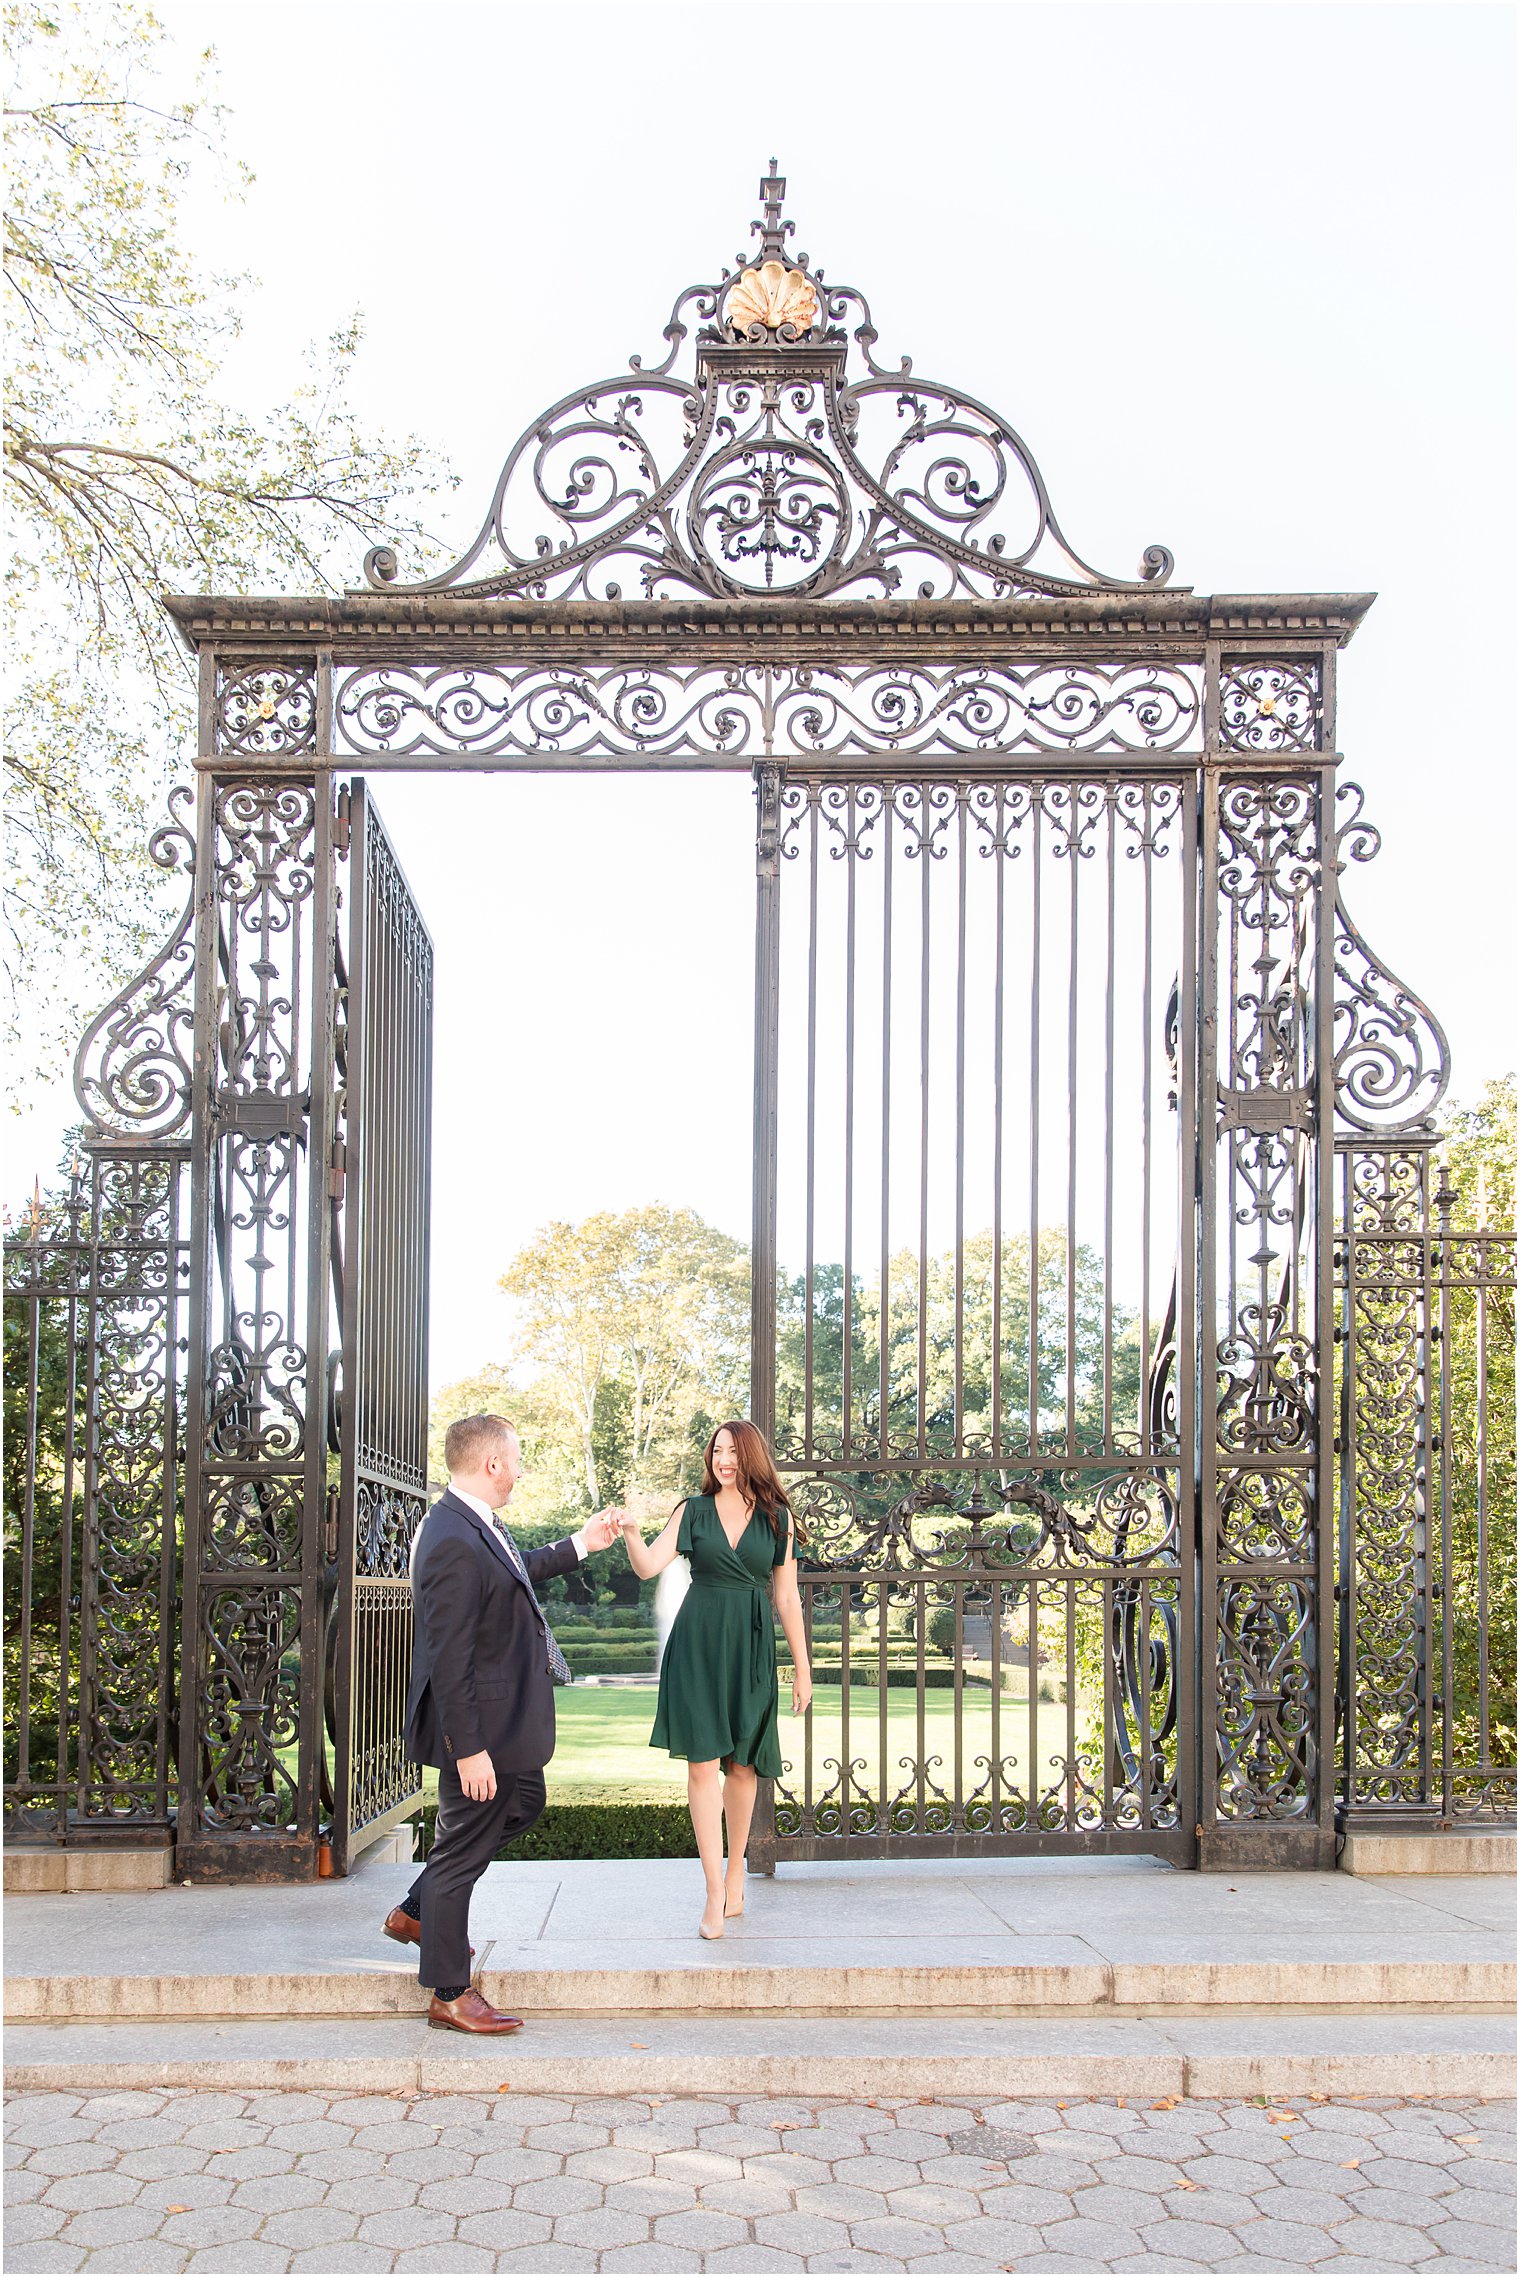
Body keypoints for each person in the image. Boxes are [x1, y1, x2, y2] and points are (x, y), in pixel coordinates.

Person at [382, 1412, 621, 2032]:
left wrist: (581, 1544)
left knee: (524, 1803)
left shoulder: (473, 1523)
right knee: (459, 1852)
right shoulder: (451, 1539)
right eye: (515, 1459)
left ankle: (417, 1910)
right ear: (491, 1464)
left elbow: (519, 1571)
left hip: (505, 1724)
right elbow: (448, 1656)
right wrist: (469, 1749)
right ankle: (449, 1992)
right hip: (480, 1729)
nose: (519, 1470)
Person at [621, 1419, 811, 1940]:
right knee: (703, 1765)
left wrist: (803, 1667)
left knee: (743, 1768)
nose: (722, 1459)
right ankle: (710, 1890)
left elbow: (787, 1598)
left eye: (732, 1451)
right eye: (716, 1451)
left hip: (750, 1649)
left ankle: (735, 1877)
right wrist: (634, 1534)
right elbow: (647, 1568)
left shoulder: (777, 1518)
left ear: (750, 1456)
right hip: (698, 1648)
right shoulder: (691, 1511)